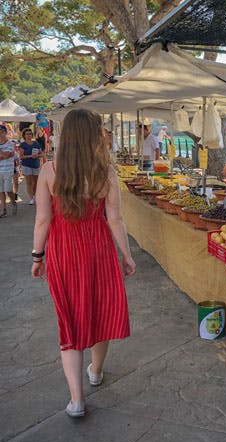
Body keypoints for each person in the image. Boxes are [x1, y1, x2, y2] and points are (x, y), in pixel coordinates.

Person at [31, 108, 135, 418]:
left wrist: (38, 257)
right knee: (100, 311)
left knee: (71, 320)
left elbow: (42, 220)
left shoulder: (49, 171)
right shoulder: (106, 172)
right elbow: (115, 219)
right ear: (92, 137)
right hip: (99, 249)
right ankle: (96, 370)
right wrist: (126, 255)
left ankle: (76, 401)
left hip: (64, 252)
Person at [18, 128, 42, 205]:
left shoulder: (36, 143)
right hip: (26, 165)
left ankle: (35, 195)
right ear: (24, 135)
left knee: (36, 182)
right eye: (27, 134)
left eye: (30, 133)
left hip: (36, 165)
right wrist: (31, 156)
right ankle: (31, 198)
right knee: (29, 183)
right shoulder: (22, 145)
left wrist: (37, 156)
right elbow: (21, 156)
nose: (29, 135)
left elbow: (41, 154)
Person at [0, 125, 18, 217]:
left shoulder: (11, 143)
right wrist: (4, 154)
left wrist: (4, 154)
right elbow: (5, 155)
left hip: (8, 170)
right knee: (1, 191)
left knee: (8, 189)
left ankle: (13, 202)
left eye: (2, 132)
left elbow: (6, 155)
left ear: (5, 133)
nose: (0, 134)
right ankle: (3, 210)